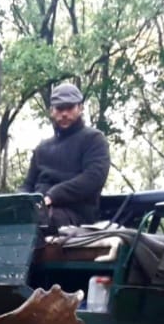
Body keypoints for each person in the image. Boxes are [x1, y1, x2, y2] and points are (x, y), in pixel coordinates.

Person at [20, 83, 111, 230]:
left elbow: (93, 177)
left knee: (38, 221)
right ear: (51, 111)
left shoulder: (94, 139)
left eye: (69, 108)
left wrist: (52, 196)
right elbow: (28, 184)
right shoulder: (42, 148)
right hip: (39, 209)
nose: (64, 113)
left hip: (76, 214)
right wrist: (19, 202)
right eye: (60, 108)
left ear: (80, 108)